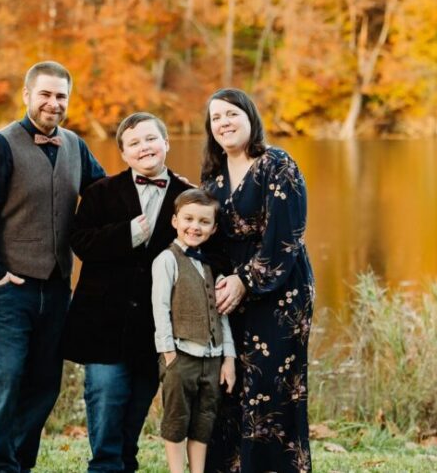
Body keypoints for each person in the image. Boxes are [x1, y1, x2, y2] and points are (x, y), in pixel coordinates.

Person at [0, 61, 106, 473]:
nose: (53, 103)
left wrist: (160, 186)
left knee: (45, 384)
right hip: (9, 288)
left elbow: (103, 195)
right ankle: (0, 466)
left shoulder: (76, 146)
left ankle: (20, 463)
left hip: (57, 288)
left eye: (61, 96)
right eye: (45, 94)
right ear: (26, 96)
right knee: (6, 378)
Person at [60, 112, 193, 473]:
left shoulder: (188, 197)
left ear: (166, 143)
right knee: (105, 397)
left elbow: (202, 255)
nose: (144, 147)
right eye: (134, 143)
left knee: (137, 403)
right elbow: (80, 242)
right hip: (102, 320)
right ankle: (104, 466)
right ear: (123, 153)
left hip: (155, 326)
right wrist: (128, 233)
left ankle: (124, 463)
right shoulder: (100, 192)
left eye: (151, 139)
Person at [200, 88, 315, 473]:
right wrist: (218, 284)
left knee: (271, 390)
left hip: (279, 292)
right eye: (216, 118)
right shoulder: (213, 180)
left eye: (231, 114)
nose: (224, 123)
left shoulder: (277, 164)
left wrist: (245, 280)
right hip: (230, 296)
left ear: (250, 118)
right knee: (228, 388)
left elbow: (287, 235)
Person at [152, 189, 236, 473]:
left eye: (203, 222)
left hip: (212, 359)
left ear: (213, 229)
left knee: (204, 419)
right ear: (175, 221)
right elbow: (160, 309)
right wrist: (168, 354)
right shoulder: (167, 260)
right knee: (177, 419)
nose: (195, 227)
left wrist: (229, 359)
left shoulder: (212, 266)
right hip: (181, 355)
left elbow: (220, 313)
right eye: (188, 219)